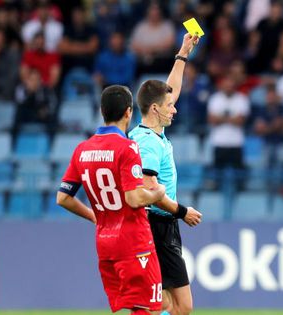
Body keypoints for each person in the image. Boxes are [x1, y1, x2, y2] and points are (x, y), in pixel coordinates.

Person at [56, 85, 167, 314]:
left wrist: (94, 216)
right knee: (149, 308)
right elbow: (134, 198)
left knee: (136, 307)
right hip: (134, 241)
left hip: (105, 243)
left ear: (101, 110)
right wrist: (158, 193)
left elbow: (63, 198)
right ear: (129, 112)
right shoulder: (127, 148)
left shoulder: (82, 150)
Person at [128, 33, 203, 315]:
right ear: (156, 109)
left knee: (173, 304)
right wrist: (182, 211)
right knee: (179, 307)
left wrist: (183, 53)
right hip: (156, 224)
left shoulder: (149, 131)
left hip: (161, 224)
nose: (176, 108)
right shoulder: (147, 143)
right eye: (170, 106)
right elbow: (149, 190)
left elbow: (171, 89)